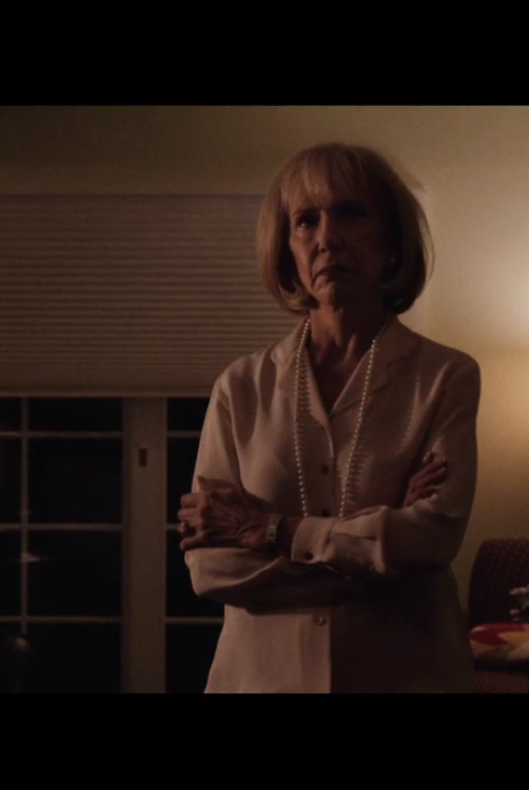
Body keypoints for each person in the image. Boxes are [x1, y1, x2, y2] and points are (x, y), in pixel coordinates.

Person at [177, 142, 481, 693]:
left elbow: (430, 540)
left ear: (392, 242)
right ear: (287, 248)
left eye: (351, 213)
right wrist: (372, 559)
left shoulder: (444, 377)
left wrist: (271, 530)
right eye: (306, 221)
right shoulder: (241, 387)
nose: (327, 238)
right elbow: (211, 568)